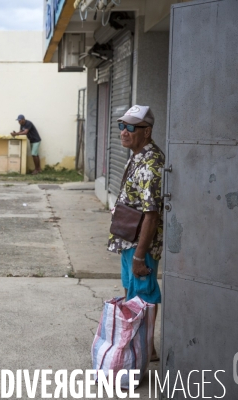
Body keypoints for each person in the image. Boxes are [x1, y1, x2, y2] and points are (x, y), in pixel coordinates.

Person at [107, 105, 165, 361]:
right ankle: (141, 347)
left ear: (147, 131)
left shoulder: (151, 163)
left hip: (140, 246)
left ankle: (146, 348)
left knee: (144, 296)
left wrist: (140, 257)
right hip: (129, 241)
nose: (124, 132)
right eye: (122, 126)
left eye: (131, 127)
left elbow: (152, 215)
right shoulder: (137, 154)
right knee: (132, 294)